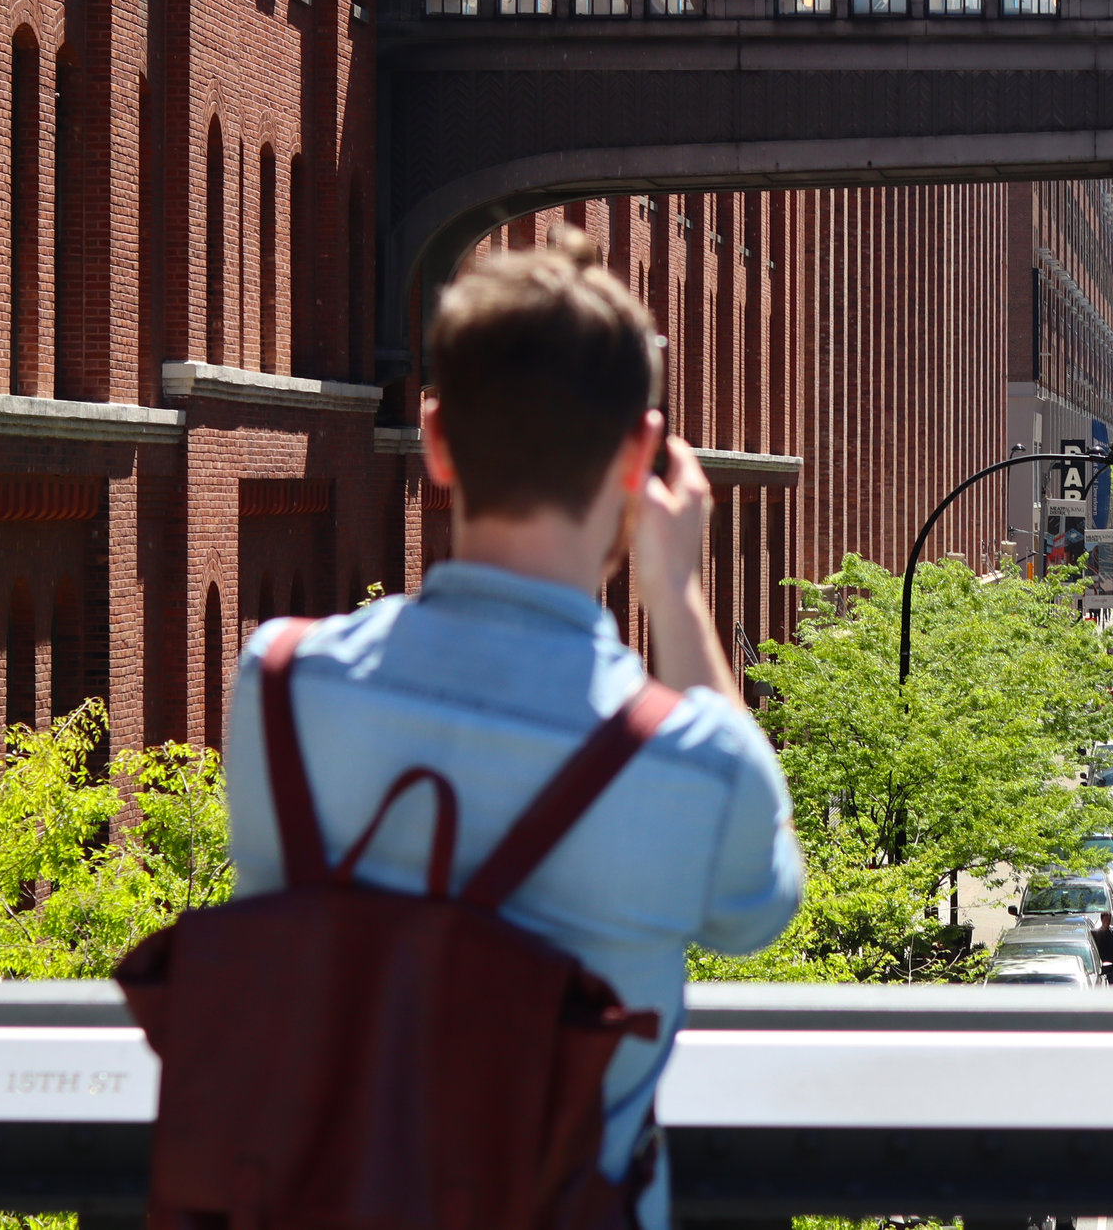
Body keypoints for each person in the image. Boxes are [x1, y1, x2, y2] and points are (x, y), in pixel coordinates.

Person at [227, 235, 802, 1230]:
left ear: (435, 436)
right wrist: (675, 588)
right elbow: (757, 910)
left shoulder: (278, 684)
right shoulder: (696, 763)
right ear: (639, 457)